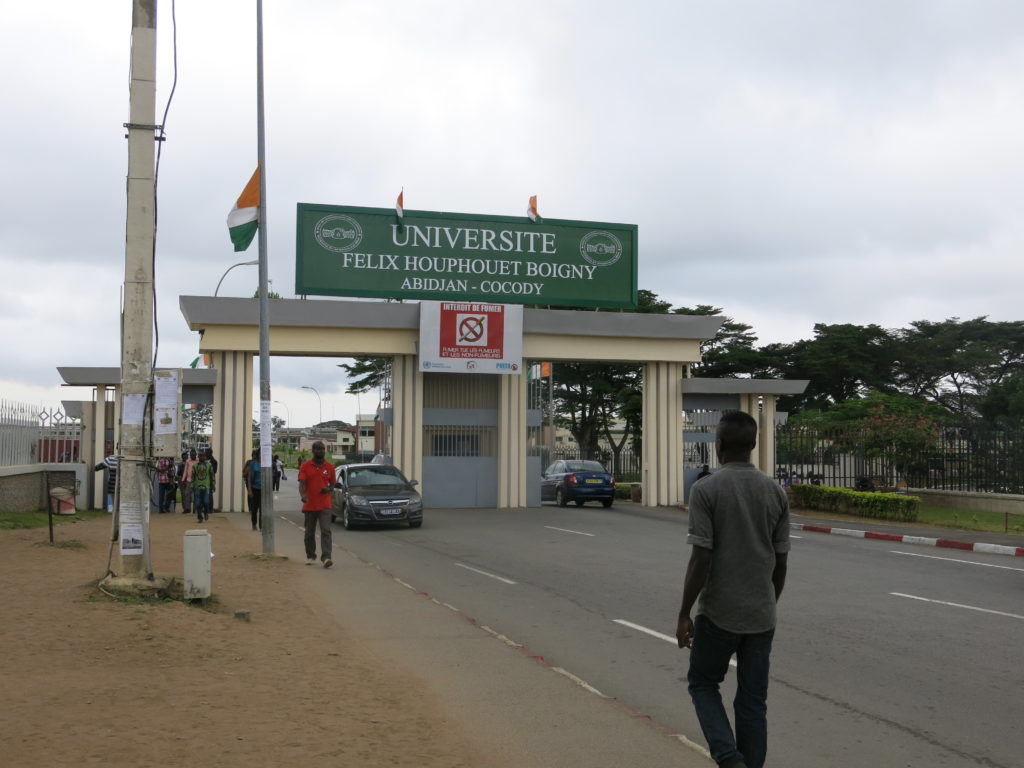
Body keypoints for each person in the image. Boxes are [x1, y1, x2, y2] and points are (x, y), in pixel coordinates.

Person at [676, 411, 790, 768]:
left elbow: (701, 558)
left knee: (702, 683)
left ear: (719, 445)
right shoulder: (775, 491)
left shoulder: (706, 489)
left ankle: (729, 758)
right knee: (753, 701)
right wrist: (767, 602)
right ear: (754, 445)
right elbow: (781, 561)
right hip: (761, 615)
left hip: (719, 615)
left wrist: (683, 613)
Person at [298, 441, 335, 568]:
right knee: (309, 533)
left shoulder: (329, 467)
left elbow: (333, 483)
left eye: (322, 449)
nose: (321, 451)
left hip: (325, 504)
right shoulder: (305, 466)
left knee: (326, 530)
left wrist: (328, 489)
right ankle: (311, 555)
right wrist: (303, 495)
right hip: (310, 505)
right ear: (313, 451)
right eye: (318, 449)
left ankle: (326, 557)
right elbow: (302, 483)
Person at [191, 450, 215, 523]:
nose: (202, 457)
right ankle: (199, 517)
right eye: (200, 456)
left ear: (205, 457)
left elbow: (212, 476)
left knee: (206, 501)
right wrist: (192, 485)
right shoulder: (195, 466)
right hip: (197, 487)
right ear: (198, 457)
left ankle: (205, 512)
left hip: (206, 486)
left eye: (203, 456)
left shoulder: (209, 465)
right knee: (197, 503)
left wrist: (213, 485)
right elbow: (193, 477)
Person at [243, 449, 263, 531]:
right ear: (258, 454)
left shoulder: (266, 464)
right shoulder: (253, 464)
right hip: (255, 488)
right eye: (261, 454)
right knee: (255, 508)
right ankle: (254, 524)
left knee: (263, 509)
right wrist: (250, 490)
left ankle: (262, 526)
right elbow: (249, 478)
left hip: (264, 490)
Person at [179, 449, 197, 515]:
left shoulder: (198, 461)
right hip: (189, 479)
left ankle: (195, 509)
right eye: (191, 455)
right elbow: (185, 471)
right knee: (187, 494)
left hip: (196, 480)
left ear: (196, 454)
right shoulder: (187, 461)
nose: (193, 456)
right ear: (190, 455)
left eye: (194, 454)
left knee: (196, 495)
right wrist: (183, 480)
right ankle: (187, 509)